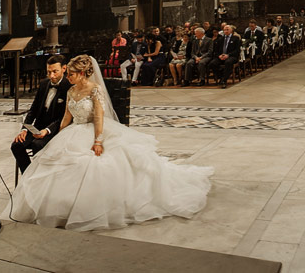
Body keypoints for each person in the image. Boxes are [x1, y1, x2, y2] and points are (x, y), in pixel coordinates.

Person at [12, 54, 213, 230]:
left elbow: (99, 117)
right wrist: (59, 137)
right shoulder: (71, 91)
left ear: (82, 73)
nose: (68, 77)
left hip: (93, 130)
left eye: (71, 74)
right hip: (73, 130)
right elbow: (66, 117)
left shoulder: (94, 89)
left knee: (93, 165)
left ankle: (87, 207)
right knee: (55, 162)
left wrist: (98, 141)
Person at [12, 55, 70, 173]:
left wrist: (47, 131)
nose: (51, 75)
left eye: (55, 71)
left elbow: (63, 117)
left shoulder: (69, 86)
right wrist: (24, 129)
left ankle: (41, 179)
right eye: (49, 72)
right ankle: (28, 175)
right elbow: (33, 109)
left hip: (55, 130)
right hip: (37, 127)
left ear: (64, 69)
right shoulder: (44, 84)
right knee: (16, 145)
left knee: (37, 145)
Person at [211, 24, 242, 88]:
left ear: (231, 30)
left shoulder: (236, 38)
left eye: (227, 29)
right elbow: (216, 50)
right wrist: (219, 55)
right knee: (212, 63)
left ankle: (224, 81)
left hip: (231, 56)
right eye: (225, 30)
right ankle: (221, 77)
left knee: (228, 62)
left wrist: (228, 55)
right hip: (221, 56)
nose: (226, 31)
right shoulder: (220, 39)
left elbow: (237, 51)